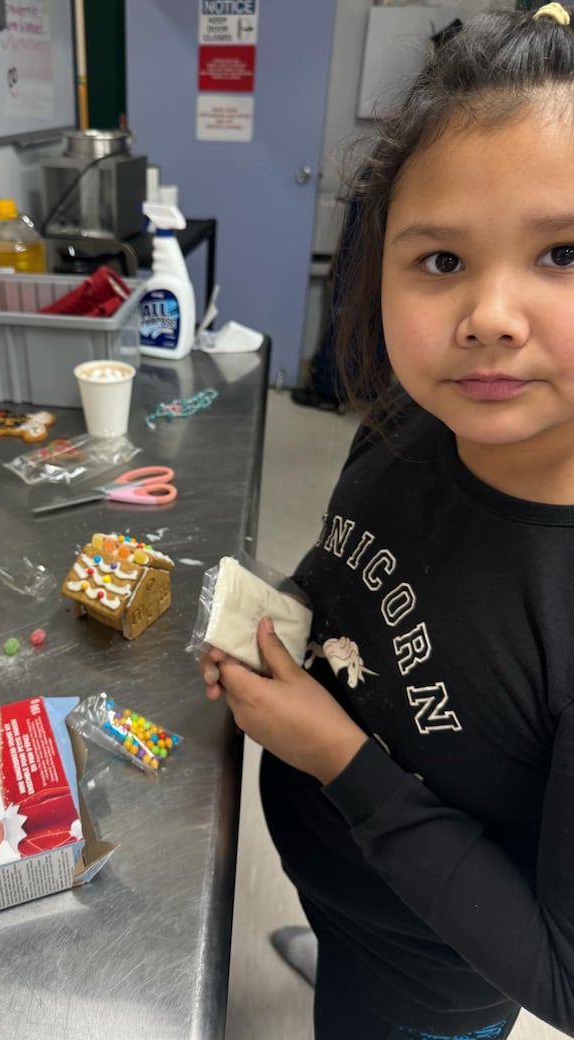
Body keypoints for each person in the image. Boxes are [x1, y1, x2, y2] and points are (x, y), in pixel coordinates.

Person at [200, 5, 574, 1038]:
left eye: (564, 251)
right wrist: (272, 624)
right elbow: (352, 578)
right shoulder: (413, 419)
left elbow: (567, 972)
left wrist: (336, 757)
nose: (490, 314)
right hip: (343, 882)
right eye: (442, 260)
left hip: (423, 982)